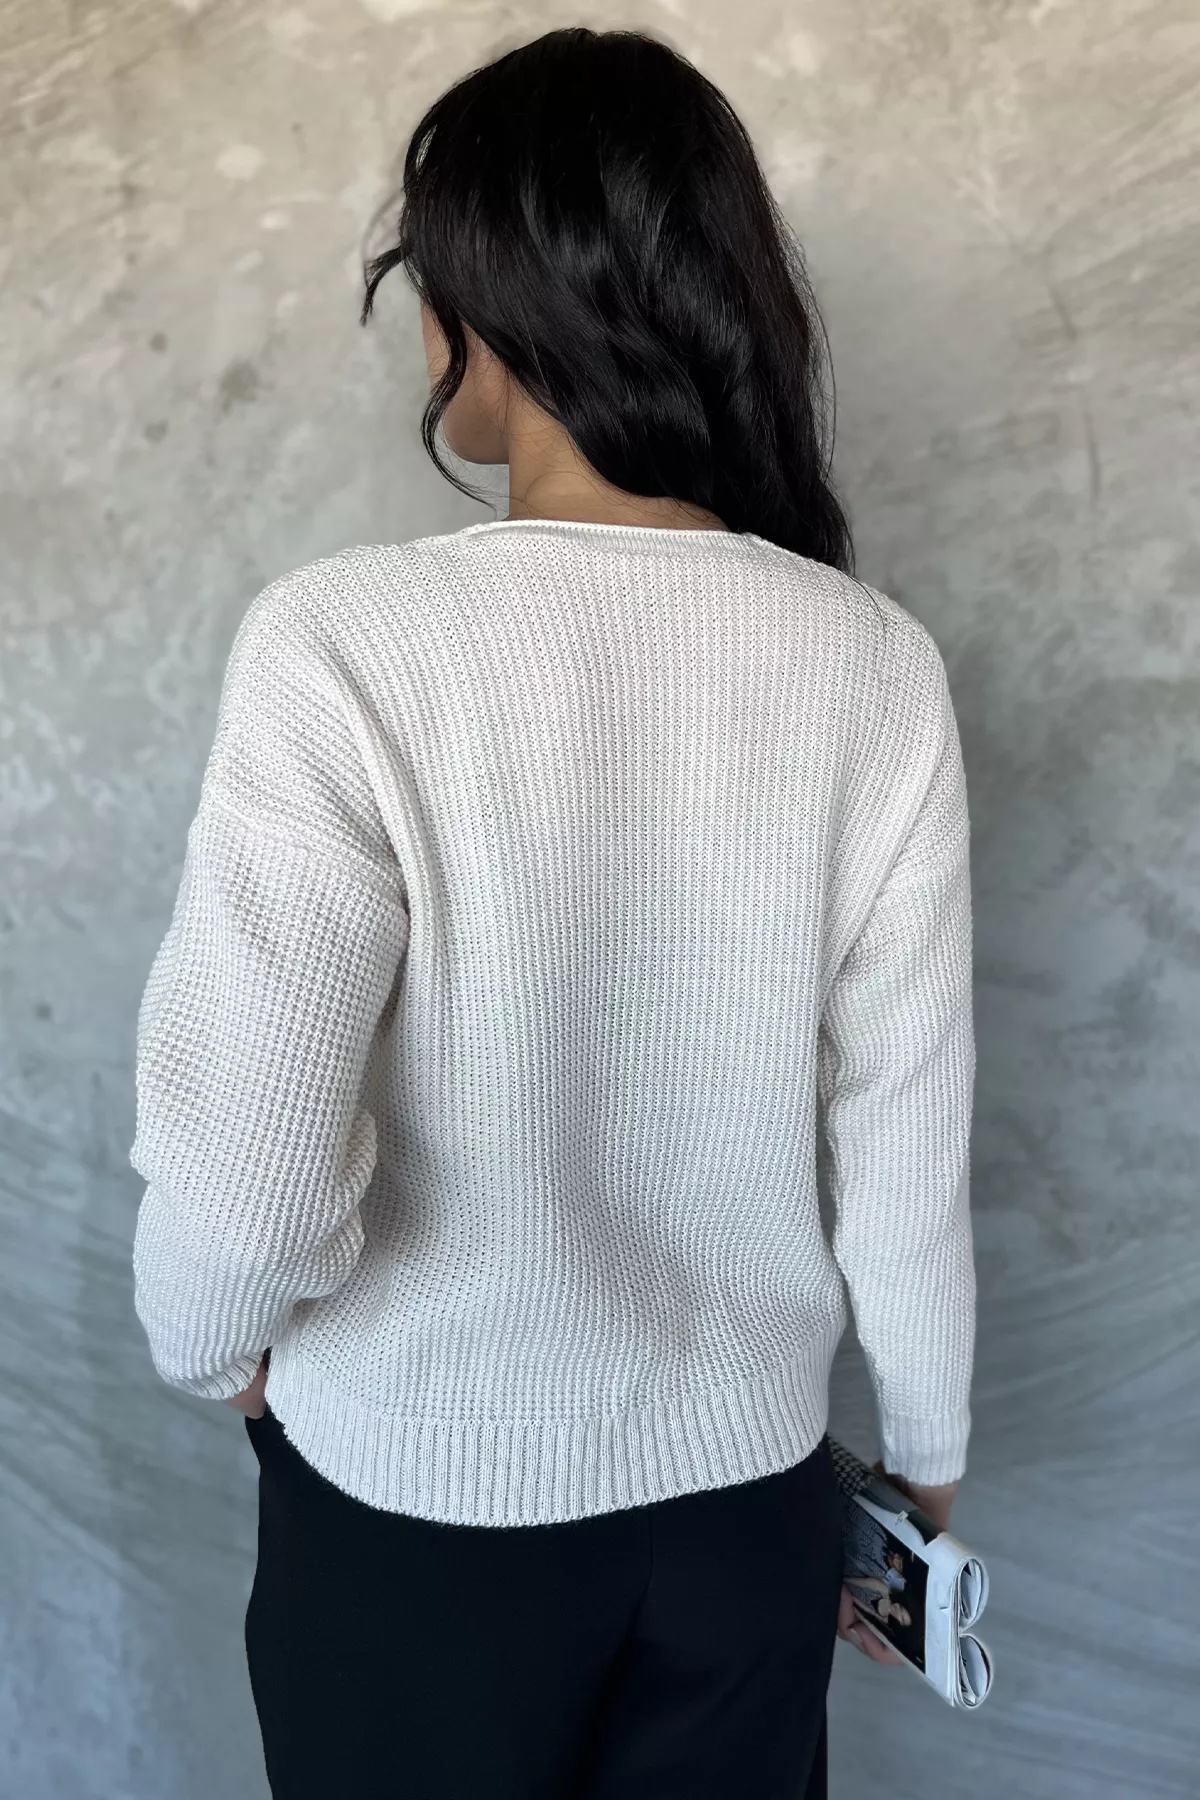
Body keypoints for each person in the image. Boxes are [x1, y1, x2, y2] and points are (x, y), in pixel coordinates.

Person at [129, 24, 976, 1800]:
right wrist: (926, 1448)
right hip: (745, 1509)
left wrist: (220, 1358)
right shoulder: (871, 662)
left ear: (478, 311)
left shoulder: (345, 641)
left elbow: (248, 1156)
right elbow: (904, 1121)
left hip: (422, 1513)